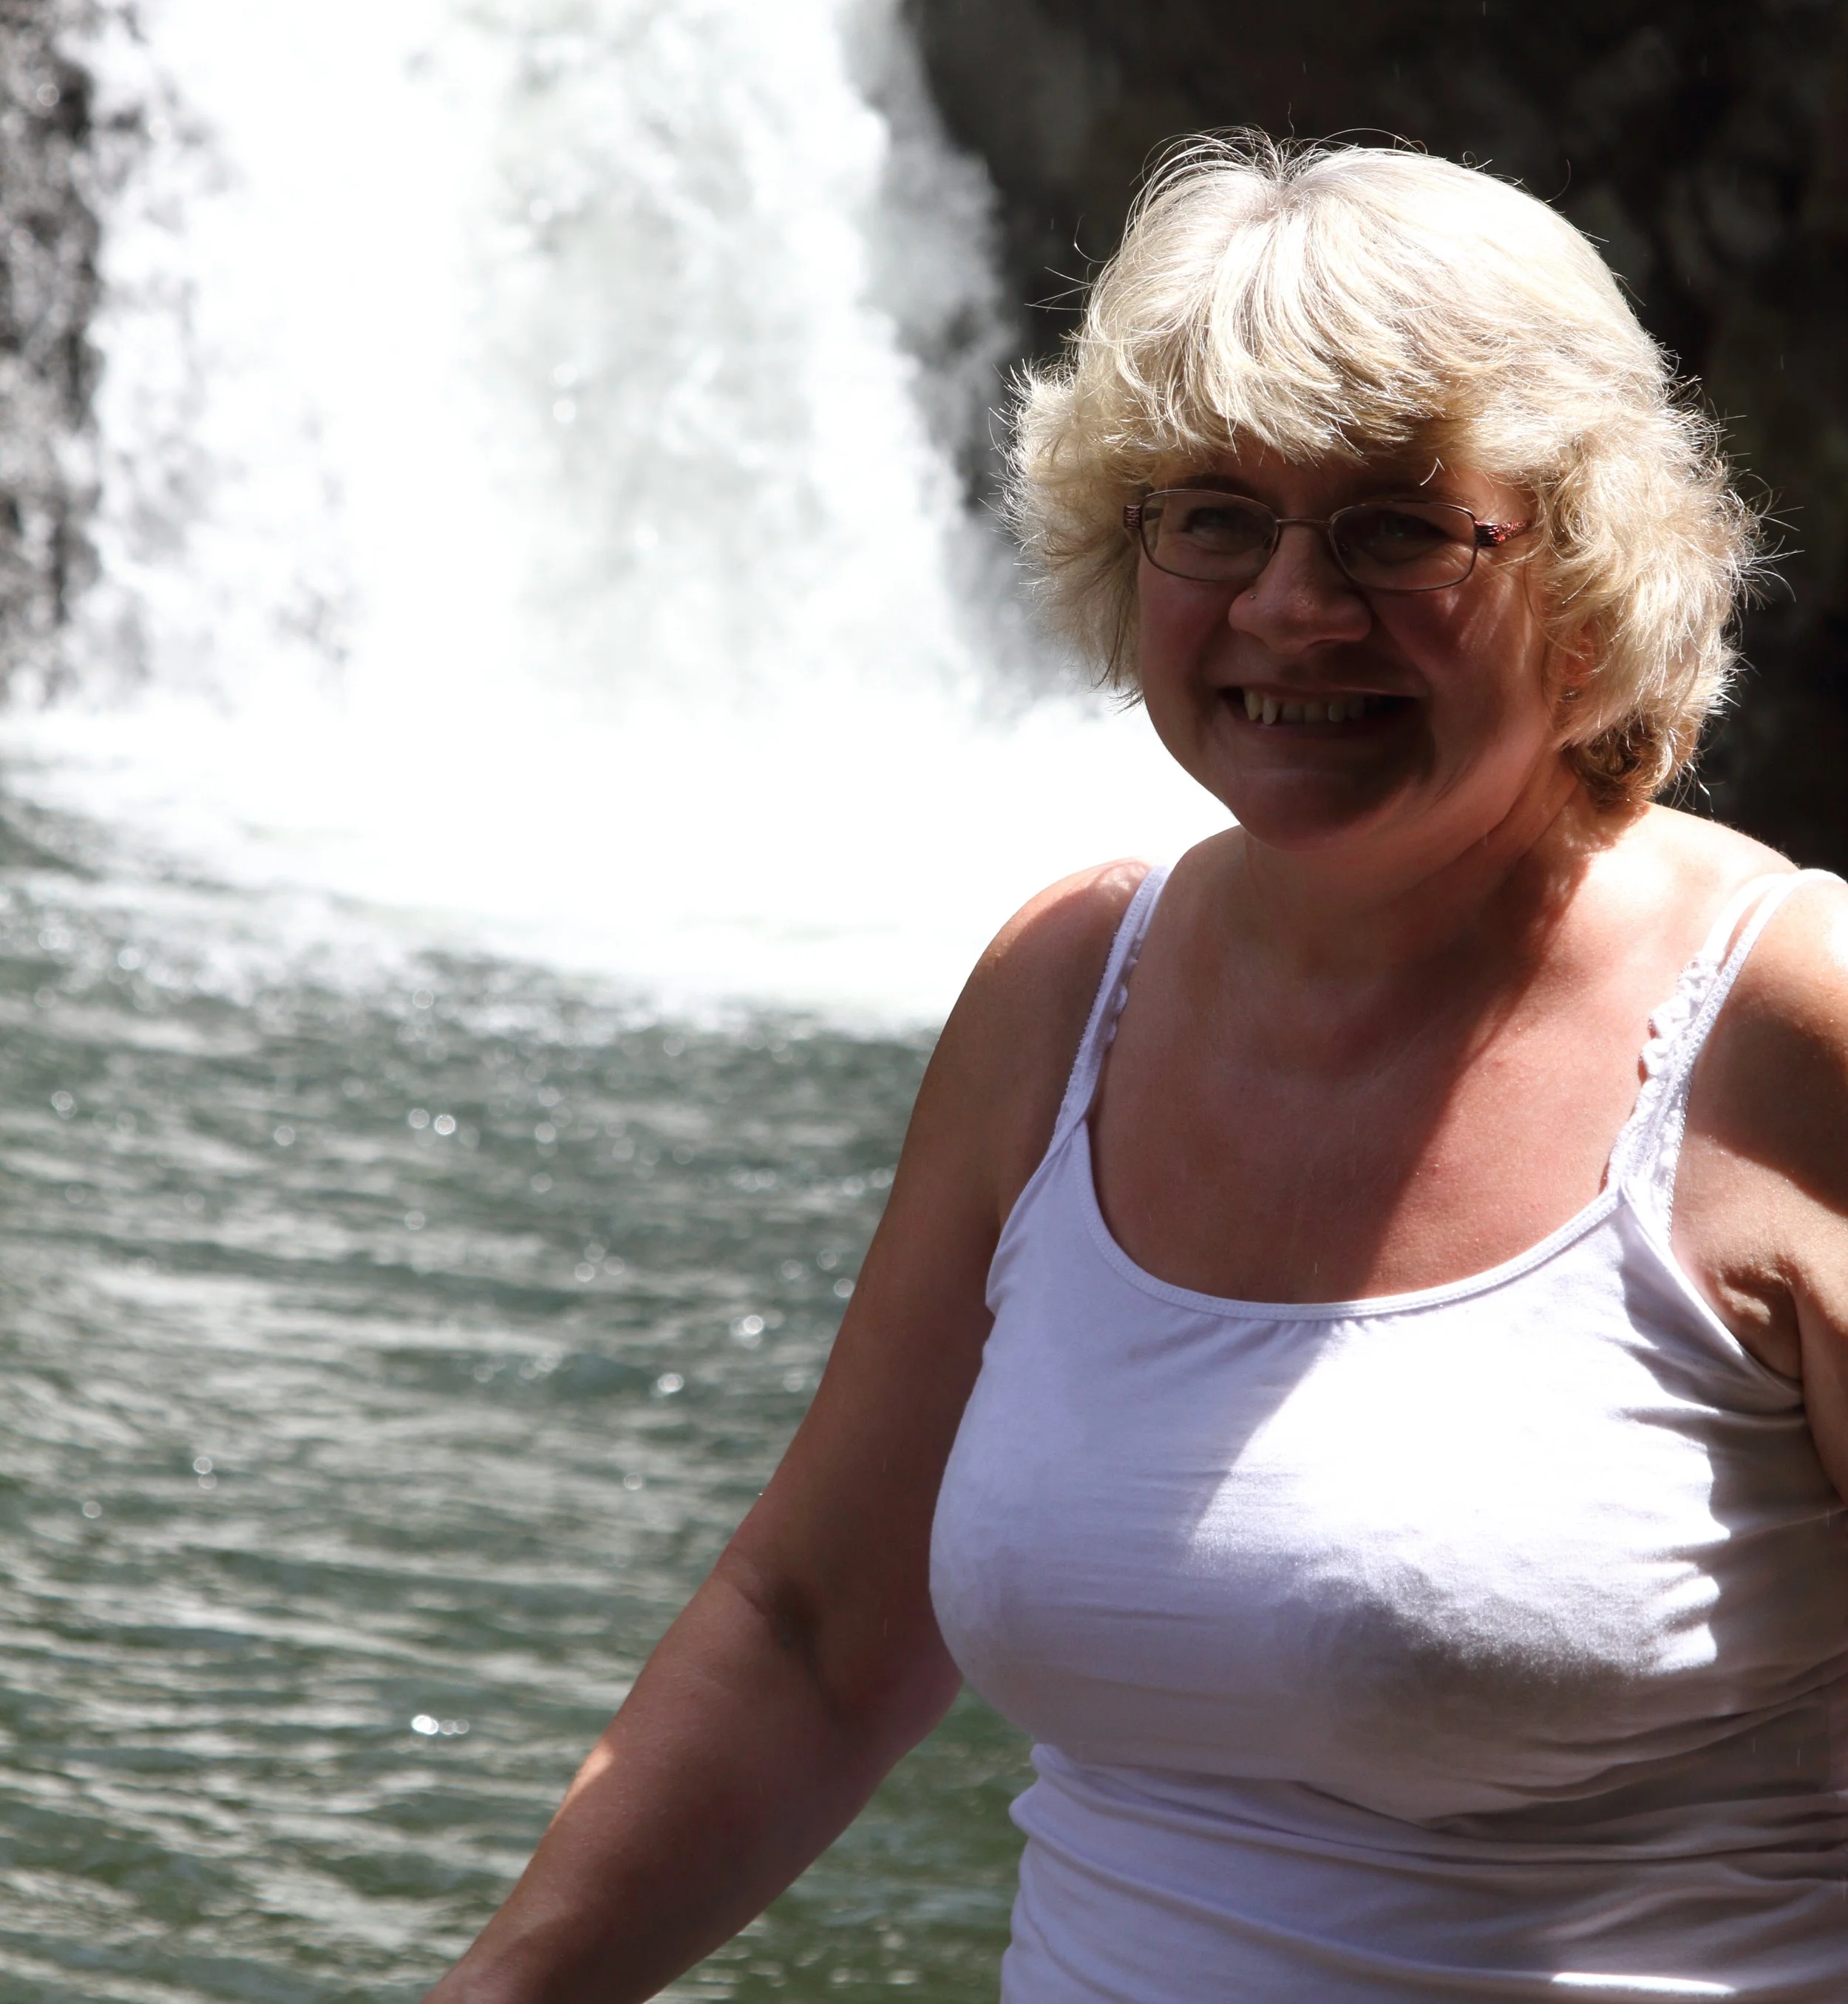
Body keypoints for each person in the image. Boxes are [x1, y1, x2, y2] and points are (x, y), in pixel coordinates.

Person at [427, 136, 1848, 2004]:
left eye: (1394, 527)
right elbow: (812, 1639)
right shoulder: (1064, 994)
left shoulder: (1783, 1026)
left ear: (1586, 576)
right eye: (1213, 518)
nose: (1289, 607)